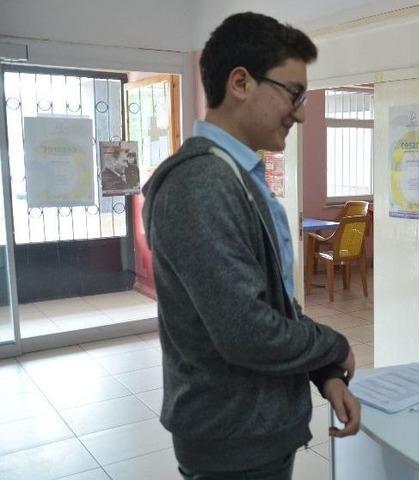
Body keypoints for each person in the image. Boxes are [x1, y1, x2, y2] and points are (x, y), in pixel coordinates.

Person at [142, 12, 360, 479]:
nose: (301, 112)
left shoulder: (236, 178)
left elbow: (274, 304)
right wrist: (332, 346)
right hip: (232, 441)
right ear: (240, 82)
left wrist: (323, 374)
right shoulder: (200, 184)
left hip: (255, 433)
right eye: (293, 94)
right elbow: (247, 331)